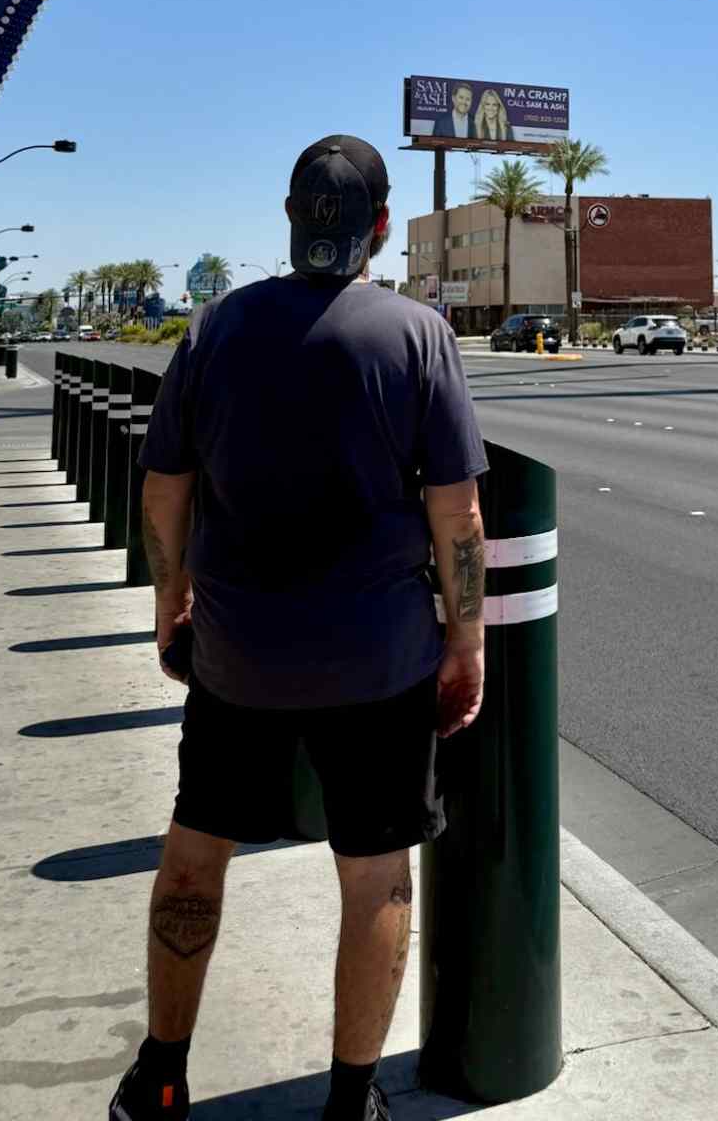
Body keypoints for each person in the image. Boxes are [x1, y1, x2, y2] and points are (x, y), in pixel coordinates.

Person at [110, 135, 488, 1121]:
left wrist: (169, 603)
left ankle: (160, 1071)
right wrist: (466, 641)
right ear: (376, 225)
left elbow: (164, 486)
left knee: (195, 851)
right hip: (379, 662)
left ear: (288, 216)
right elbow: (458, 514)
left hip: (238, 657)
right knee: (375, 877)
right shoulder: (417, 335)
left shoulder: (215, 328)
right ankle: (351, 1096)